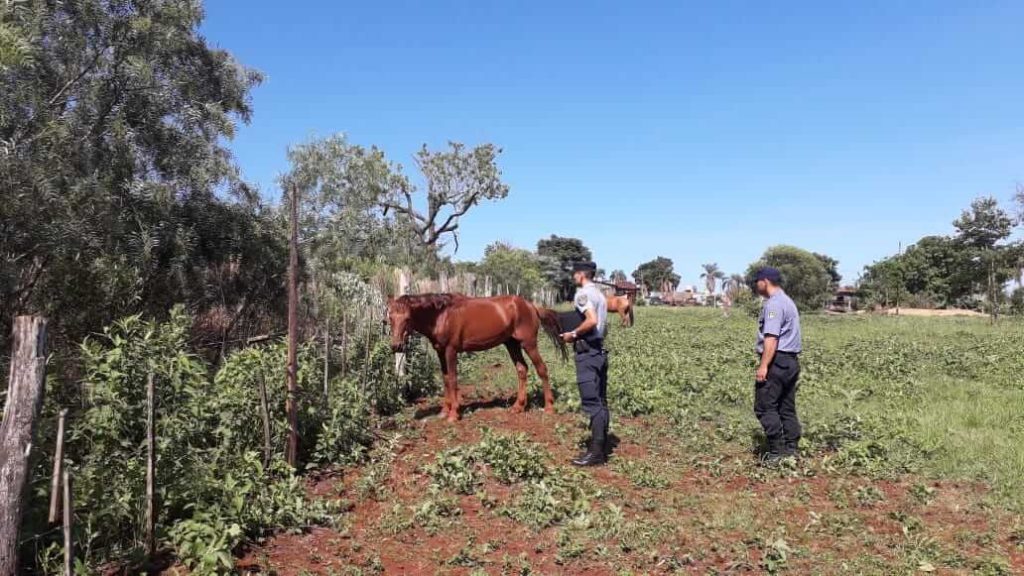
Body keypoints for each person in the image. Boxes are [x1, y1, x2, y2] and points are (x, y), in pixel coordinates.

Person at [560, 261, 610, 467]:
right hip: (598, 351)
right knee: (601, 401)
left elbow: (591, 320)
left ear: (581, 275)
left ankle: (596, 453)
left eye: (575, 274)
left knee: (592, 403)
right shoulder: (600, 295)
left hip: (587, 354)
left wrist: (573, 334)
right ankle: (602, 444)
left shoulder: (583, 295)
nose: (573, 277)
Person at [752, 267, 802, 465]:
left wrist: (764, 366)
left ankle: (776, 453)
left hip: (777, 361)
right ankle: (791, 449)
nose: (756, 286)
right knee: (785, 407)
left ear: (765, 281)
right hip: (791, 361)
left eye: (757, 282)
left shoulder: (774, 305)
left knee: (765, 406)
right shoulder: (787, 301)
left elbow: (771, 339)